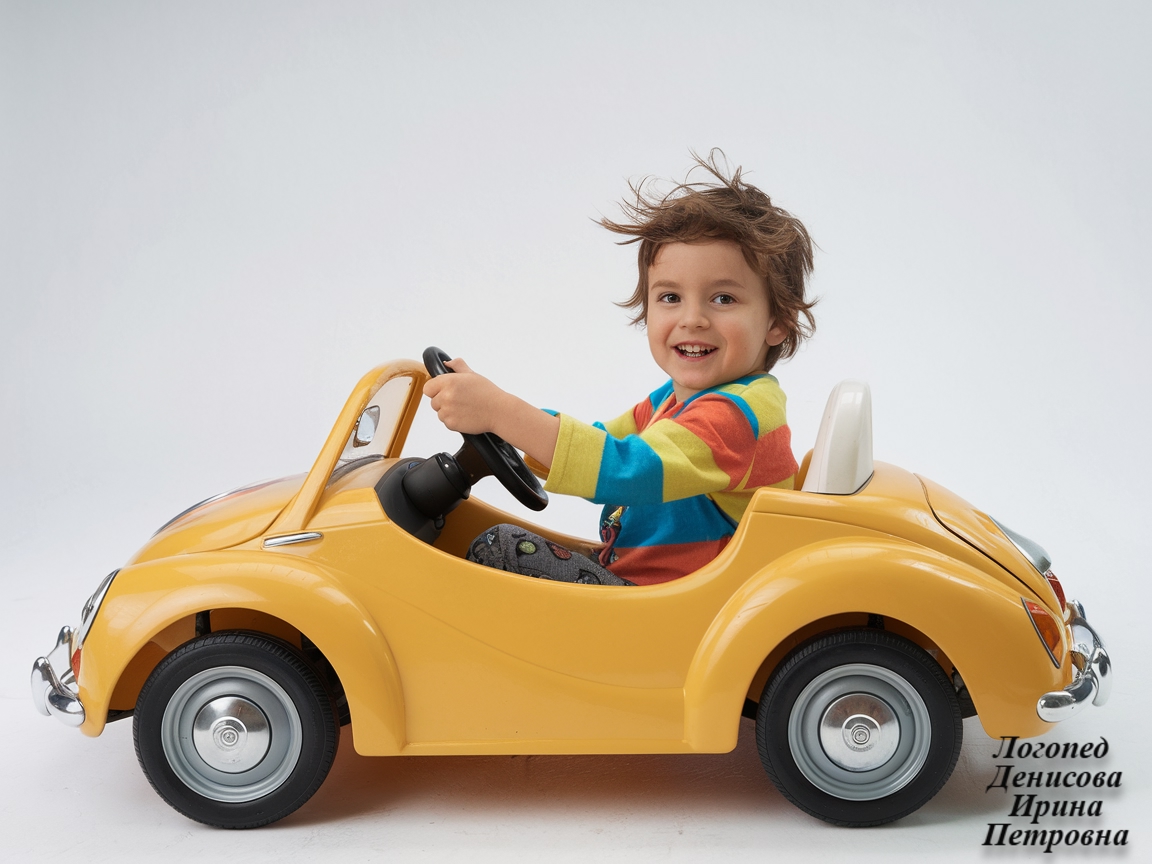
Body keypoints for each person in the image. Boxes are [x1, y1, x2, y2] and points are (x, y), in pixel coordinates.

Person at [423, 152, 816, 586]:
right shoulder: (677, 401)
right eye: (670, 297)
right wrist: (506, 423)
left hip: (672, 610)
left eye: (723, 299)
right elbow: (601, 443)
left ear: (778, 322)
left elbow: (623, 469)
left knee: (502, 547)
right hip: (648, 592)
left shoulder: (736, 417)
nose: (692, 319)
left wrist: (502, 412)